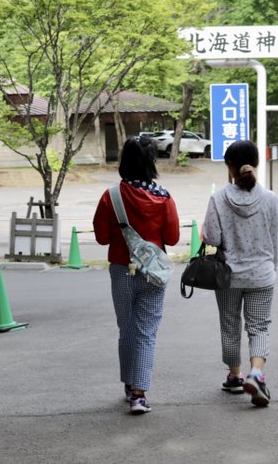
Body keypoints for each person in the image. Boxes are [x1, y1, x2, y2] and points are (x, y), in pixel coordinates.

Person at [93, 135, 180, 414]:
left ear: (124, 161)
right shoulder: (164, 197)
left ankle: (129, 384)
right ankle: (140, 394)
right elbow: (173, 237)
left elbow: (102, 238)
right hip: (153, 273)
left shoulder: (111, 196)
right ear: (152, 161)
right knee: (147, 332)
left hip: (121, 269)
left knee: (126, 328)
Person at [202, 140, 278, 407]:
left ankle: (236, 377)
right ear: (255, 164)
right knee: (259, 327)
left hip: (228, 276)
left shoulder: (218, 198)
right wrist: (272, 268)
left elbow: (212, 237)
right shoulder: (270, 199)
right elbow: (274, 240)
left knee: (229, 325)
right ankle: (256, 374)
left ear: (231, 167)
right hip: (262, 274)